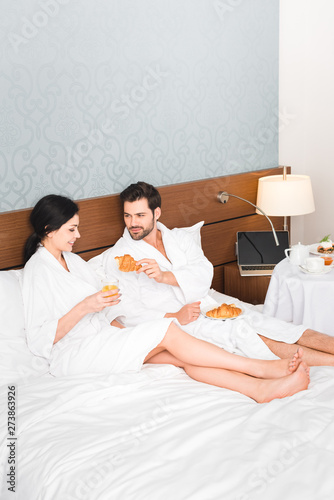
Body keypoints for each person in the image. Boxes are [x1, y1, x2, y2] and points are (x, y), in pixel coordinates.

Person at [22, 194, 309, 403]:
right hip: (74, 355)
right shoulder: (38, 270)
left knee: (181, 357)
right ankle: (261, 369)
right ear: (49, 229)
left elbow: (105, 311)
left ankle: (259, 390)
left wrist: (126, 330)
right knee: (169, 331)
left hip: (104, 339)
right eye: (72, 229)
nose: (79, 235)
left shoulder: (74, 262)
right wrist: (87, 305)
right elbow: (40, 338)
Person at [89, 181, 334, 367]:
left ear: (157, 214)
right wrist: (175, 314)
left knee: (280, 327)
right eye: (127, 215)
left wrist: (165, 276)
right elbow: (127, 311)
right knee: (253, 337)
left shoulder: (179, 239)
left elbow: (203, 271)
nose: (133, 223)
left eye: (140, 215)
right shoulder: (119, 259)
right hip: (180, 323)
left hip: (208, 305)